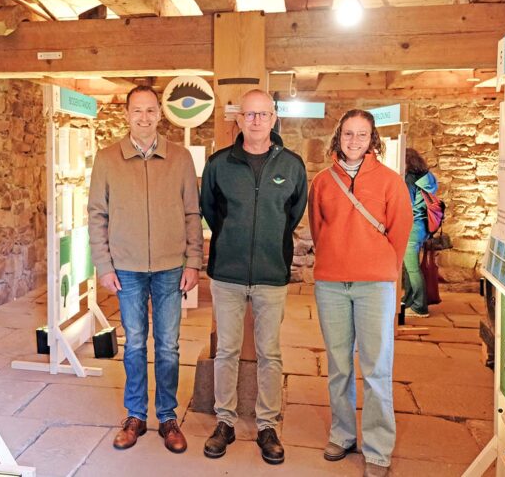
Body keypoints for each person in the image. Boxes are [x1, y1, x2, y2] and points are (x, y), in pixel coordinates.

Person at [88, 85, 203, 454]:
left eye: (150, 110)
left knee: (168, 346)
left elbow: (192, 213)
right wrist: (103, 265)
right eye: (137, 110)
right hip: (126, 268)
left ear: (160, 114)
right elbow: (97, 215)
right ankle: (135, 415)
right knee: (135, 343)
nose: (144, 117)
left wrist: (194, 261)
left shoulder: (180, 158)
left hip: (170, 268)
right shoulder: (107, 159)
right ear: (127, 115)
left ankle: (167, 417)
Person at [200, 89, 308, 465]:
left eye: (263, 114)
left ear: (274, 118)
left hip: (271, 274)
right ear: (239, 119)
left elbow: (293, 214)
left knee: (270, 353)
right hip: (227, 275)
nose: (257, 121)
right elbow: (210, 210)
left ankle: (267, 425)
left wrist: (269, 244)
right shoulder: (219, 164)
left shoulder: (292, 165)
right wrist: (232, 239)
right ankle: (225, 422)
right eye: (250, 114)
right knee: (226, 350)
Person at [307, 109, 412, 477]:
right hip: (331, 284)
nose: (354, 141)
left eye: (361, 134)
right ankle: (343, 433)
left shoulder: (390, 182)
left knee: (376, 368)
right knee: (339, 366)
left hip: (374, 286)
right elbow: (318, 229)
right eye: (348, 134)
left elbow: (400, 232)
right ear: (339, 137)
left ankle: (378, 449)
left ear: (372, 140)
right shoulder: (322, 182)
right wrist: (335, 259)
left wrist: (381, 267)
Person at [402, 148, 438, 318]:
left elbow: (405, 203)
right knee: (410, 267)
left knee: (413, 269)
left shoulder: (410, 179)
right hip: (423, 226)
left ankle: (419, 307)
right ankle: (409, 300)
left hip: (412, 227)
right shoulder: (427, 177)